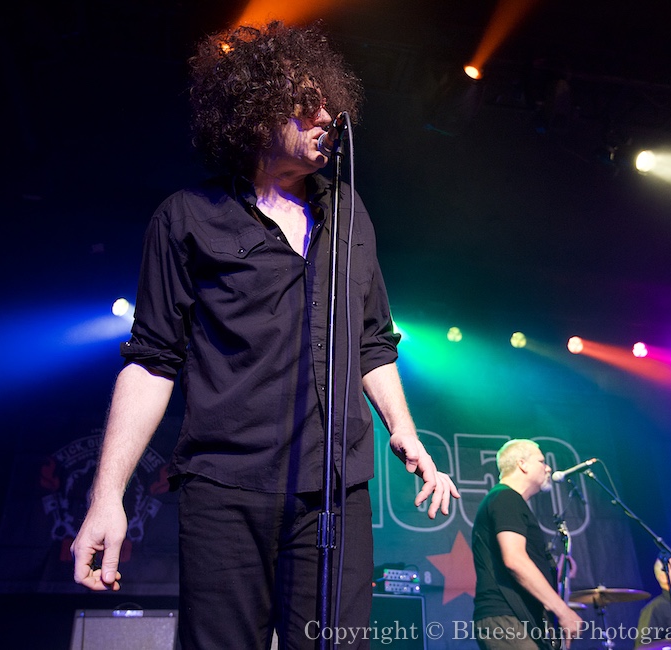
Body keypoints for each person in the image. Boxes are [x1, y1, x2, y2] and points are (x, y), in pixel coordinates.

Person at [69, 20, 460, 650]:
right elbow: (152, 360)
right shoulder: (186, 218)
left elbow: (372, 342)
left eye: (329, 104)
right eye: (306, 104)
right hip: (224, 489)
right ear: (254, 114)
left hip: (333, 490)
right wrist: (107, 496)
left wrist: (404, 430)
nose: (326, 117)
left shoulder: (350, 212)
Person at [472, 439, 584, 650]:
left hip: (518, 619)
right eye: (542, 461)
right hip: (508, 618)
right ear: (522, 464)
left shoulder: (507, 500)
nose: (548, 468)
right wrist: (563, 611)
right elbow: (515, 560)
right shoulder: (506, 498)